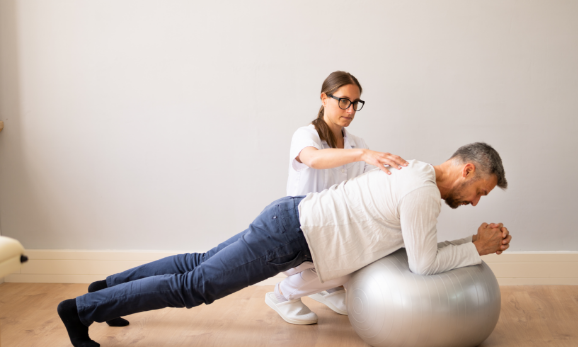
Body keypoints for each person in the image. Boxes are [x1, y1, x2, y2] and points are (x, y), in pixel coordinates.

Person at [58, 142, 512, 347]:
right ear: (467, 170)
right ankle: (80, 309)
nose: (475, 202)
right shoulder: (421, 193)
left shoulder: (416, 173)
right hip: (290, 234)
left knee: (195, 266)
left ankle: (105, 289)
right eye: (481, 192)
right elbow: (424, 263)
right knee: (194, 286)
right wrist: (476, 245)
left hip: (290, 220)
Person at [267, 70, 408, 325]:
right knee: (354, 258)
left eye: (355, 103)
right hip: (298, 236)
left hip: (330, 234)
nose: (351, 110)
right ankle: (281, 296)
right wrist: (362, 154)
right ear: (324, 98)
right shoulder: (306, 134)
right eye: (344, 101)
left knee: (373, 247)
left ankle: (325, 288)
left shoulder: (356, 143)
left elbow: (376, 181)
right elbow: (313, 159)